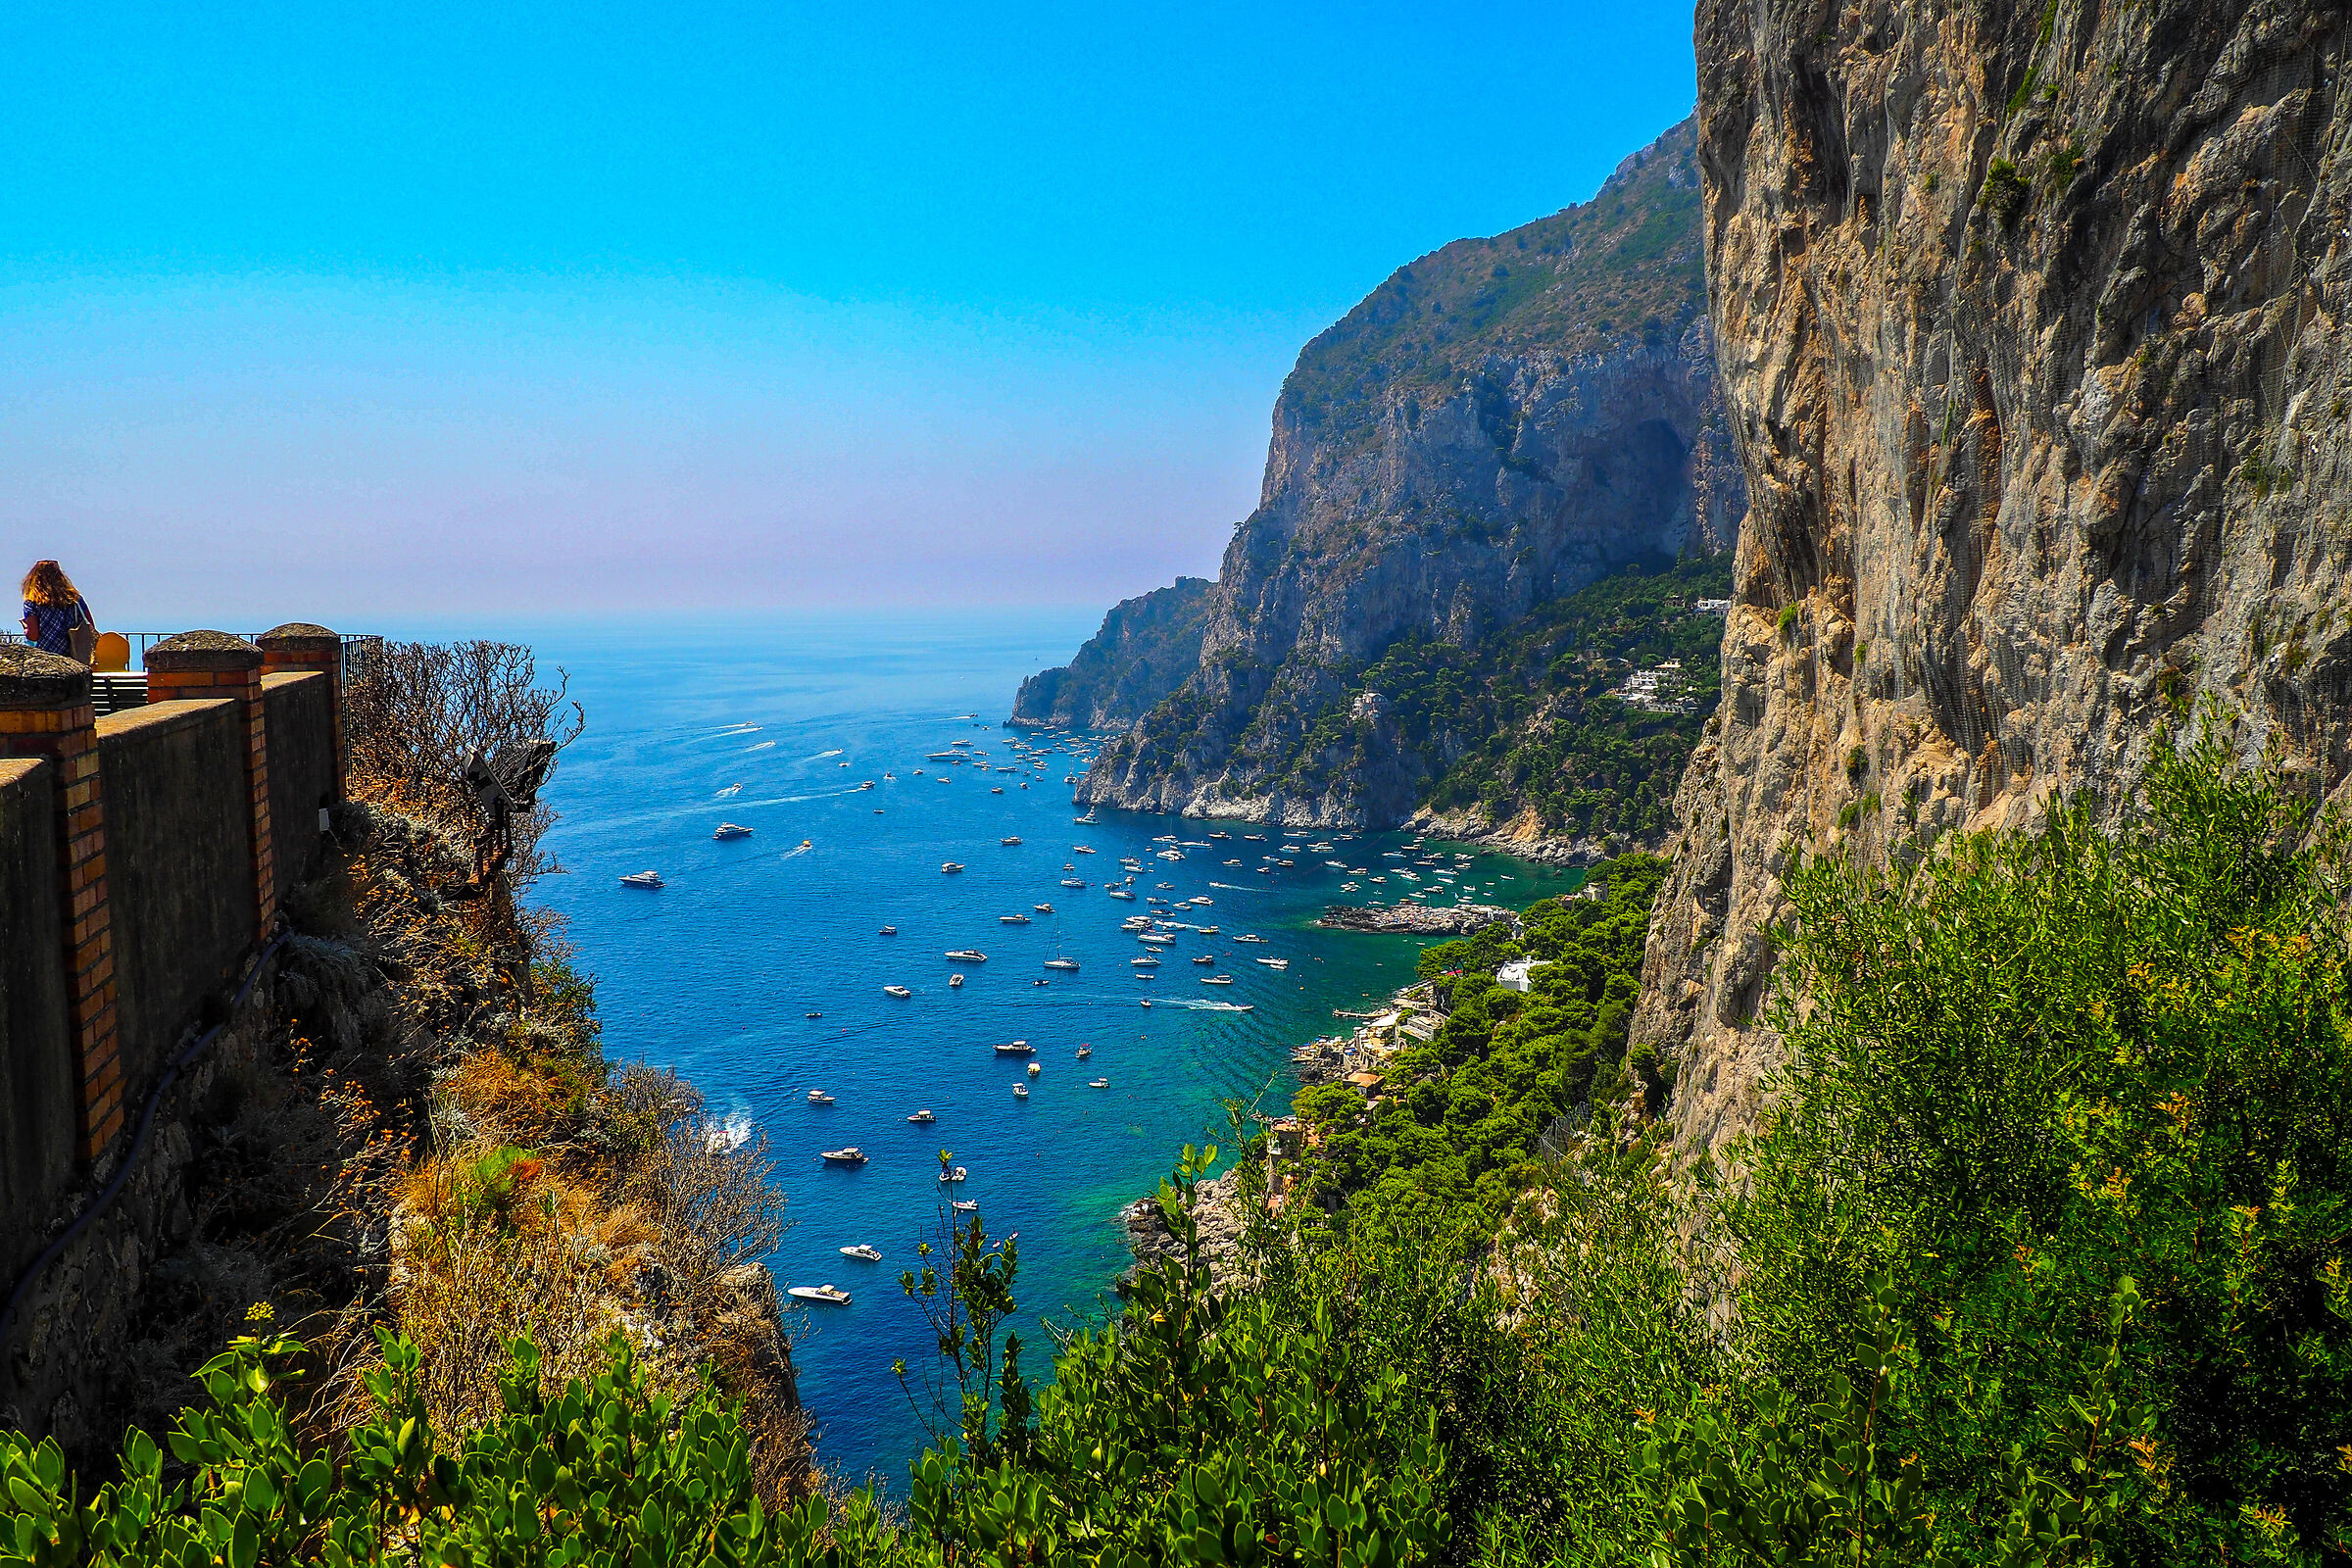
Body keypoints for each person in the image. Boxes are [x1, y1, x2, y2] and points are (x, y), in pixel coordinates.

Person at [20, 561, 95, 661]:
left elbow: (33, 635)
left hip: (46, 658)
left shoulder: (32, 603)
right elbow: (91, 627)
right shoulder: (76, 600)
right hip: (75, 658)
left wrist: (25, 629)